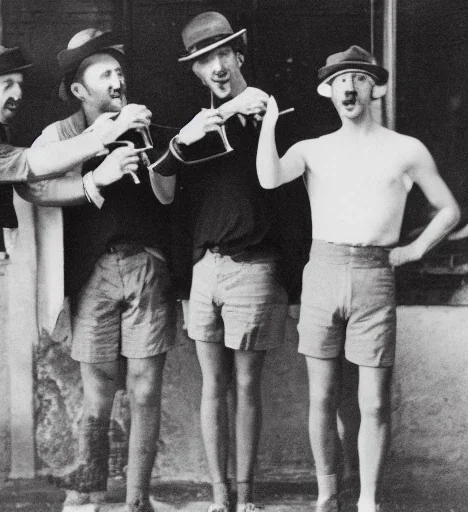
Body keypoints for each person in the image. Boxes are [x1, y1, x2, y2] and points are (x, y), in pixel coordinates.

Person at [256, 45, 460, 512]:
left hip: (374, 276)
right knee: (322, 398)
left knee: (373, 403)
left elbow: (448, 209)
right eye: (340, 79)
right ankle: (328, 494)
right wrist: (269, 123)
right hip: (323, 271)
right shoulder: (312, 149)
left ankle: (368, 500)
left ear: (375, 87)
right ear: (327, 91)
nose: (349, 86)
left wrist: (411, 250)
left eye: (360, 77)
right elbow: (269, 179)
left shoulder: (405, 149)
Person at [0, 44, 142, 512]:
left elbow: (26, 178)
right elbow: (30, 167)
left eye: (21, 84)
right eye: (7, 85)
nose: (18, 93)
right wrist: (108, 134)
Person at [150, 11, 310, 512]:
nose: (216, 66)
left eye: (223, 54)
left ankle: (246, 497)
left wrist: (296, 283)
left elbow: (293, 202)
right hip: (205, 270)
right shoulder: (195, 123)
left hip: (256, 265)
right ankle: (220, 497)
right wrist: (180, 144)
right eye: (204, 61)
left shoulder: (271, 113)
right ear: (195, 72)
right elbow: (163, 194)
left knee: (246, 385)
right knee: (211, 386)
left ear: (239, 56)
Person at [18, 29, 176, 512]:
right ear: (80, 89)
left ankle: (137, 500)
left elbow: (169, 195)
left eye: (120, 71)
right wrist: (94, 177)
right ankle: (88, 493)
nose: (118, 79)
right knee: (97, 390)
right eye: (105, 73)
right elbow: (31, 185)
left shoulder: (145, 124)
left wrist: (159, 151)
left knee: (147, 388)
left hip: (146, 266)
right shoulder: (60, 135)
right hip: (92, 275)